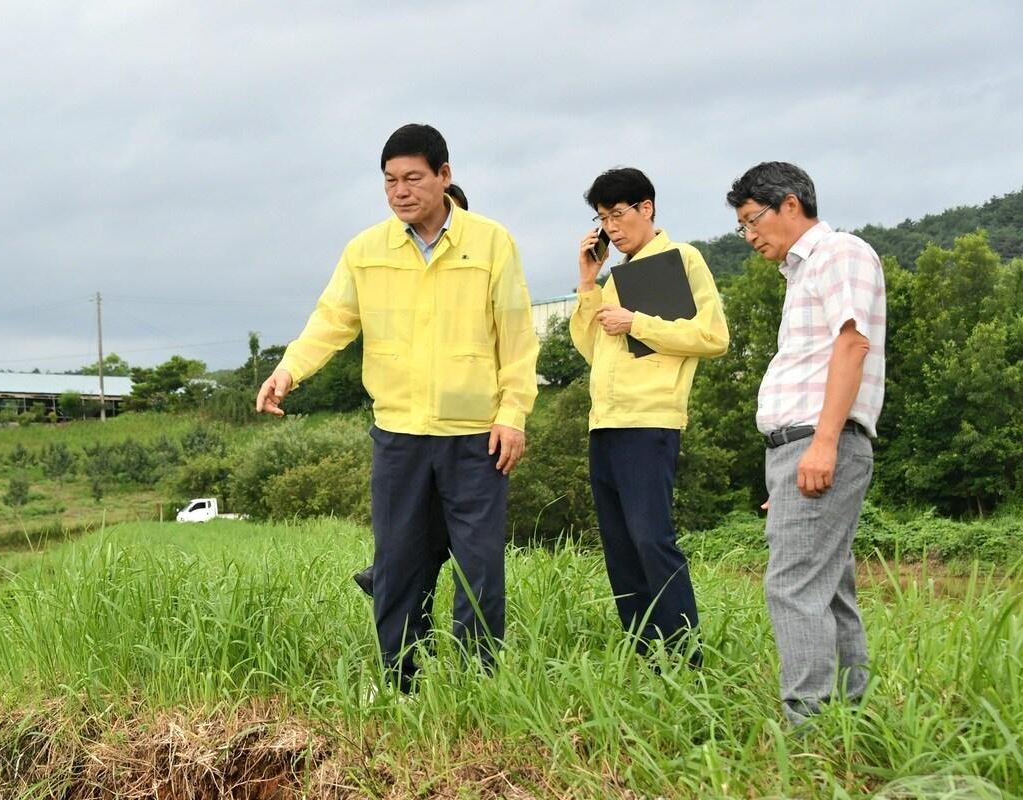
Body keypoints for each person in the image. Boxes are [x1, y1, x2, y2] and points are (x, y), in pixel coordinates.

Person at [257, 125, 537, 692]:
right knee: (399, 566)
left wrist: (514, 414)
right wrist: (288, 370)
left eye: (413, 178)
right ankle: (400, 683)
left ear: (444, 176)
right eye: (390, 181)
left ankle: (478, 686)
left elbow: (517, 337)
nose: (401, 191)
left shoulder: (491, 243)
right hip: (399, 436)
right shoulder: (366, 250)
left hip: (475, 435)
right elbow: (331, 321)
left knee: (479, 568)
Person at [727, 161, 885, 726]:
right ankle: (849, 720)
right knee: (827, 587)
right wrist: (790, 462)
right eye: (742, 227)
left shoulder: (839, 253)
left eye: (752, 221)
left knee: (792, 586)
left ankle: (808, 729)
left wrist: (820, 446)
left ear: (789, 204)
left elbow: (852, 345)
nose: (749, 237)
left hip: (822, 440)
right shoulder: (800, 274)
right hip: (800, 447)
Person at [569, 168, 728, 665]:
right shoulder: (618, 276)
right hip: (606, 422)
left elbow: (713, 337)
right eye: (602, 219)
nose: (611, 228)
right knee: (619, 547)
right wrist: (588, 282)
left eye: (618, 215)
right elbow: (593, 350)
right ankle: (644, 655)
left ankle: (685, 657)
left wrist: (637, 321)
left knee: (650, 539)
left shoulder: (683, 259)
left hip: (651, 421)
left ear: (647, 208)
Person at [352, 181, 469, 599]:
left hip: (467, 428)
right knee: (415, 535)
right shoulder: (381, 262)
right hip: (406, 426)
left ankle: (386, 574)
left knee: (446, 539)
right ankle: (405, 643)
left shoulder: (478, 266)